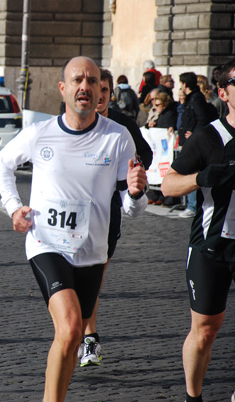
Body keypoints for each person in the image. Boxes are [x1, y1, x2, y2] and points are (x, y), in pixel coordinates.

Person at [0, 56, 148, 401]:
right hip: (46, 244)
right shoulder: (40, 134)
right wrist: (13, 208)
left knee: (71, 336)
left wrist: (138, 193)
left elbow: (131, 209)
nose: (85, 87)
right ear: (63, 89)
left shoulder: (118, 138)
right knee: (72, 326)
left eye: (92, 81)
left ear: (101, 91)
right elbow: (2, 164)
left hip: (93, 251)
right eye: (77, 80)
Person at [161, 59, 235, 402]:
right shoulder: (209, 137)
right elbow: (167, 185)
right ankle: (194, 397)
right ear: (223, 93)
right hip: (212, 246)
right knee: (205, 330)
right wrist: (202, 178)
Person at [76, 68, 152, 366]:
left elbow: (144, 153)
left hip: (108, 212)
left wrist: (132, 174)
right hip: (73, 212)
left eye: (104, 90)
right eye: (96, 88)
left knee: (95, 276)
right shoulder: (73, 122)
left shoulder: (123, 126)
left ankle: (89, 337)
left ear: (107, 93)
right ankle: (77, 332)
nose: (98, 95)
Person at [177, 72, 219, 218]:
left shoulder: (196, 98)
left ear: (184, 84)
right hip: (188, 141)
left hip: (194, 143)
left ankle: (192, 206)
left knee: (192, 174)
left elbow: (202, 119)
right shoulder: (191, 98)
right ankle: (191, 205)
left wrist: (195, 135)